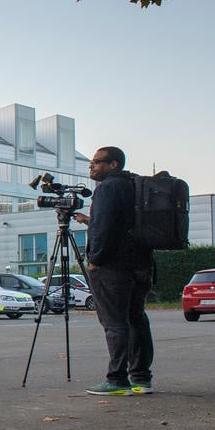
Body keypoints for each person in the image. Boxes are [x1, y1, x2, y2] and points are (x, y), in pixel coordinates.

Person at [74, 146, 154, 396]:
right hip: (140, 263)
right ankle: (141, 378)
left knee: (115, 322)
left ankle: (117, 380)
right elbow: (123, 224)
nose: (92, 166)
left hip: (114, 267)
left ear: (114, 164)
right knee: (136, 319)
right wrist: (90, 221)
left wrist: (95, 258)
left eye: (98, 162)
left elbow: (106, 228)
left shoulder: (108, 188)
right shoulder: (133, 185)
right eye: (91, 162)